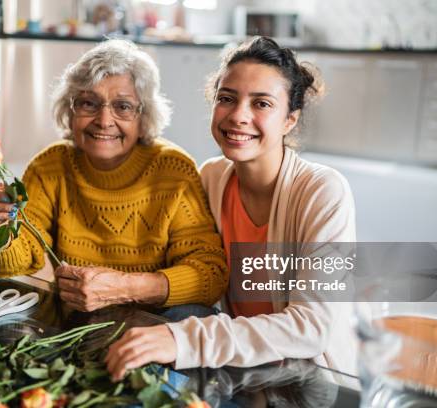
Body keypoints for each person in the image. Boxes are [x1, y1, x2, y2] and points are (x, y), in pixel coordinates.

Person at [105, 37, 357, 379]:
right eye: (227, 98)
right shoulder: (210, 177)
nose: (238, 116)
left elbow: (309, 328)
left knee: (179, 325)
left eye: (262, 104)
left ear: (289, 120)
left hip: (307, 378)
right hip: (239, 362)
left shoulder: (322, 191)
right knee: (179, 313)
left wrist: (181, 340)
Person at [0, 39, 228, 313]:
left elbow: (210, 273)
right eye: (89, 103)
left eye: (123, 107)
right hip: (78, 317)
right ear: (70, 110)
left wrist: (126, 288)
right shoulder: (50, 166)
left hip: (155, 319)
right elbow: (14, 264)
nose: (104, 120)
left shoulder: (174, 170)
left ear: (144, 116)